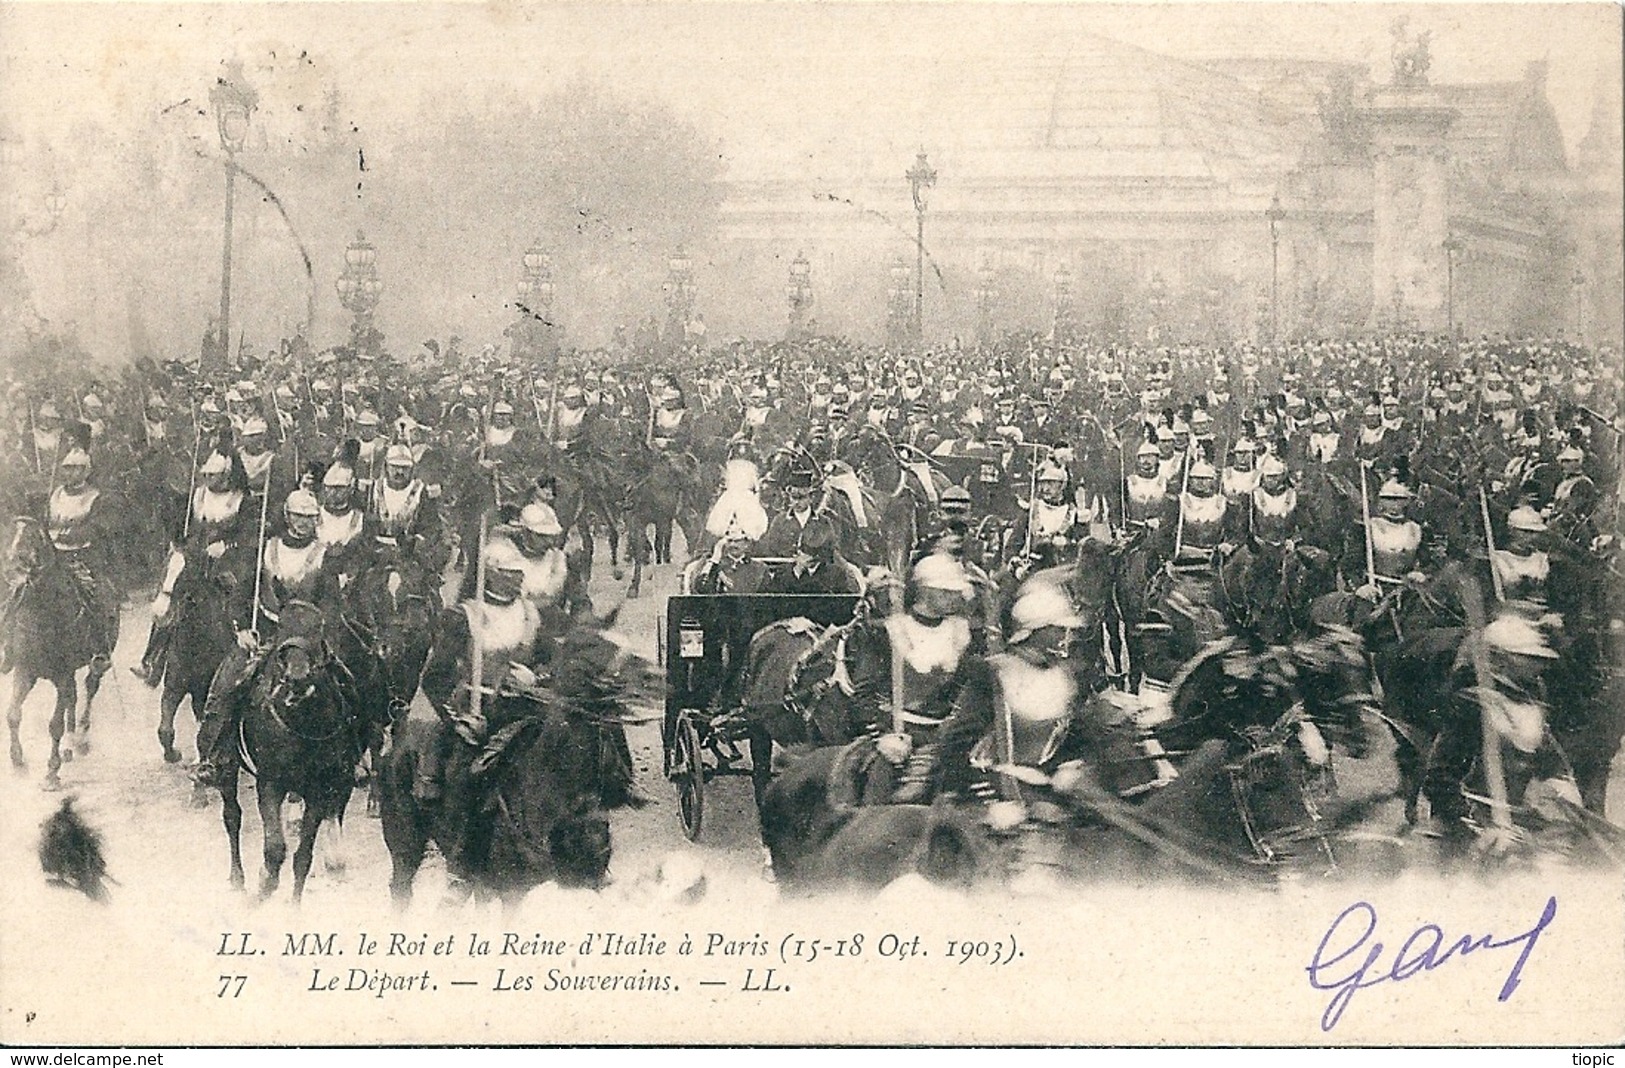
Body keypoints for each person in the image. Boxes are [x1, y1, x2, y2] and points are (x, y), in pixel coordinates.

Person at [193, 489, 339, 786]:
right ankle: (214, 755)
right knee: (226, 686)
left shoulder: (325, 555)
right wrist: (242, 629)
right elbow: (240, 596)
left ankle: (352, 755)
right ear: (287, 516)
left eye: (310, 518)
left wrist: (318, 633)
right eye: (298, 516)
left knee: (344, 685)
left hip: (307, 640)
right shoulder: (266, 549)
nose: (303, 523)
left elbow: (332, 604)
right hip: (268, 634)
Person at [414, 534, 551, 805]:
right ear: (491, 575)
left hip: (526, 707)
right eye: (509, 574)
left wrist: (537, 676)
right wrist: (457, 719)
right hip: (477, 710)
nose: (517, 580)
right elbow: (434, 678)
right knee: (465, 783)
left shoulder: (531, 613)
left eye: (519, 574)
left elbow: (550, 659)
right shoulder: (465, 617)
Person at [762, 516, 863, 595]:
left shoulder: (836, 574)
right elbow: (771, 600)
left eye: (813, 553)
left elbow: (843, 603)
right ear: (798, 552)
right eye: (804, 552)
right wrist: (795, 573)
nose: (808, 557)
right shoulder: (783, 574)